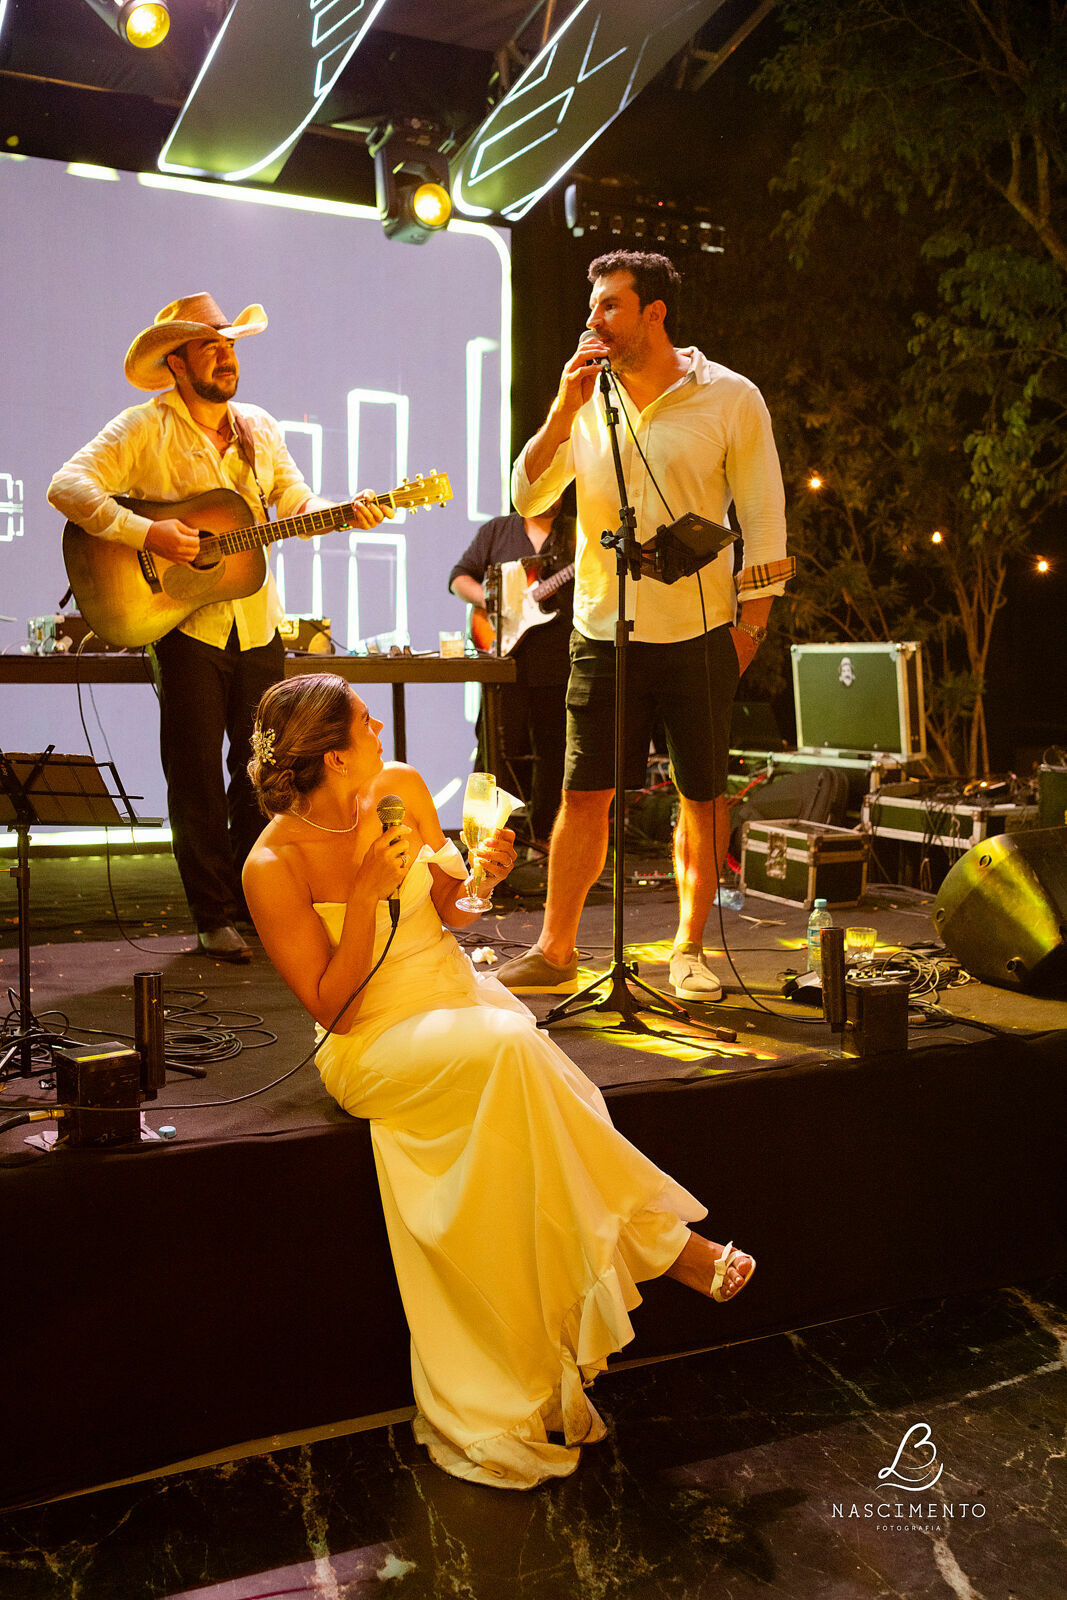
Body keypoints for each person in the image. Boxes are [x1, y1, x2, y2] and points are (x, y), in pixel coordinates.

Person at [242, 671, 756, 1489]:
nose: (382, 729)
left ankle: (648, 1257)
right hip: (373, 1039)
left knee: (510, 1046)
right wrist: (371, 896)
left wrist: (481, 876)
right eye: (366, 722)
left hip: (453, 995)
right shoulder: (271, 863)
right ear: (333, 757)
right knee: (514, 1047)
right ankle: (667, 1247)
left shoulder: (400, 787)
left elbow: (450, 909)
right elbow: (331, 1011)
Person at [47, 292, 389, 962]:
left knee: (268, 769)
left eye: (230, 344)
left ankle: (254, 898)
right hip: (184, 627)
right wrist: (149, 532)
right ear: (175, 362)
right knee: (197, 771)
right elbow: (68, 485)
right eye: (211, 345)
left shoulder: (258, 427)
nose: (226, 355)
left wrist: (339, 510)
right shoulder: (143, 428)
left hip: (257, 620)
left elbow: (291, 499)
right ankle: (212, 914)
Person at [495, 251, 794, 1001]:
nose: (591, 320)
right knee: (582, 793)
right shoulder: (585, 399)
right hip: (602, 631)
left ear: (654, 313)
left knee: (700, 795)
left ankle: (688, 952)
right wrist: (560, 412)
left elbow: (762, 518)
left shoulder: (730, 396)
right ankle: (556, 948)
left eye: (607, 307)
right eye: (591, 306)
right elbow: (528, 495)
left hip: (700, 630)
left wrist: (749, 629)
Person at [448, 498, 574, 848]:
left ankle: (547, 842)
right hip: (503, 663)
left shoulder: (577, 532)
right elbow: (459, 578)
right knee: (492, 752)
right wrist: (497, 601)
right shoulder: (497, 530)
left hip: (557, 663)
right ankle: (480, 843)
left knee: (556, 754)